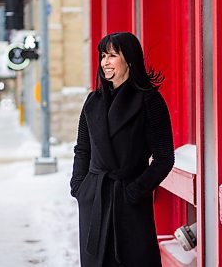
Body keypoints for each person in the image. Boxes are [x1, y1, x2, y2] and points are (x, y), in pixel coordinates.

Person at [70, 32, 174, 266]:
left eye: (113, 55)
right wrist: (79, 186)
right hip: (95, 198)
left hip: (129, 202)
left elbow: (164, 157)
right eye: (103, 56)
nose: (105, 62)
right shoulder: (93, 101)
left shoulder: (150, 101)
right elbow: (83, 149)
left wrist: (135, 191)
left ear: (129, 60)